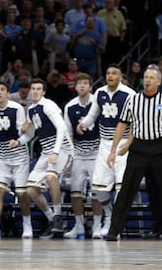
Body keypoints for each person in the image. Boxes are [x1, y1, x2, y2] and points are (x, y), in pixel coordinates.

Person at [105, 65, 162, 241]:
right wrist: (113, 150)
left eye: (151, 78)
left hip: (159, 149)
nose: (147, 80)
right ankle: (113, 230)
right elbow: (122, 125)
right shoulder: (133, 100)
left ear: (158, 81)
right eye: (145, 77)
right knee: (126, 191)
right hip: (138, 149)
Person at [75, 64, 136, 239]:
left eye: (114, 73)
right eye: (108, 73)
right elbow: (93, 114)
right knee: (98, 188)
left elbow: (134, 122)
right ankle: (109, 215)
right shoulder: (100, 93)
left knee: (120, 186)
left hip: (123, 144)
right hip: (104, 144)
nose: (110, 75)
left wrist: (129, 143)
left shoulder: (129, 94)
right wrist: (84, 124)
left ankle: (115, 224)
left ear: (121, 76)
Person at [0, 81, 33, 239]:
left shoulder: (16, 109)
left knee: (22, 192)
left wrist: (18, 141)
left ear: (8, 93)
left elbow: (24, 132)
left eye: (2, 90)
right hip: (1, 158)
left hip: (19, 157)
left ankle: (27, 224)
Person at [25, 78, 74, 239]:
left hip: (63, 149)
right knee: (31, 189)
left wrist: (56, 151)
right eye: (33, 88)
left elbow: (61, 127)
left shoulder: (49, 105)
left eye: (39, 89)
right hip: (47, 151)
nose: (35, 91)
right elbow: (31, 134)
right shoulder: (31, 109)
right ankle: (53, 219)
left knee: (50, 176)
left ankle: (59, 216)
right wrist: (18, 140)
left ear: (44, 92)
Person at [63, 73, 100, 239]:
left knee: (98, 192)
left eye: (86, 83)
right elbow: (69, 135)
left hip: (97, 154)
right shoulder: (70, 106)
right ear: (75, 87)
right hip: (79, 154)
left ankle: (98, 226)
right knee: (75, 193)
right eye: (80, 83)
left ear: (90, 87)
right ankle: (79, 227)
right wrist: (69, 159)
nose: (83, 86)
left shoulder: (97, 103)